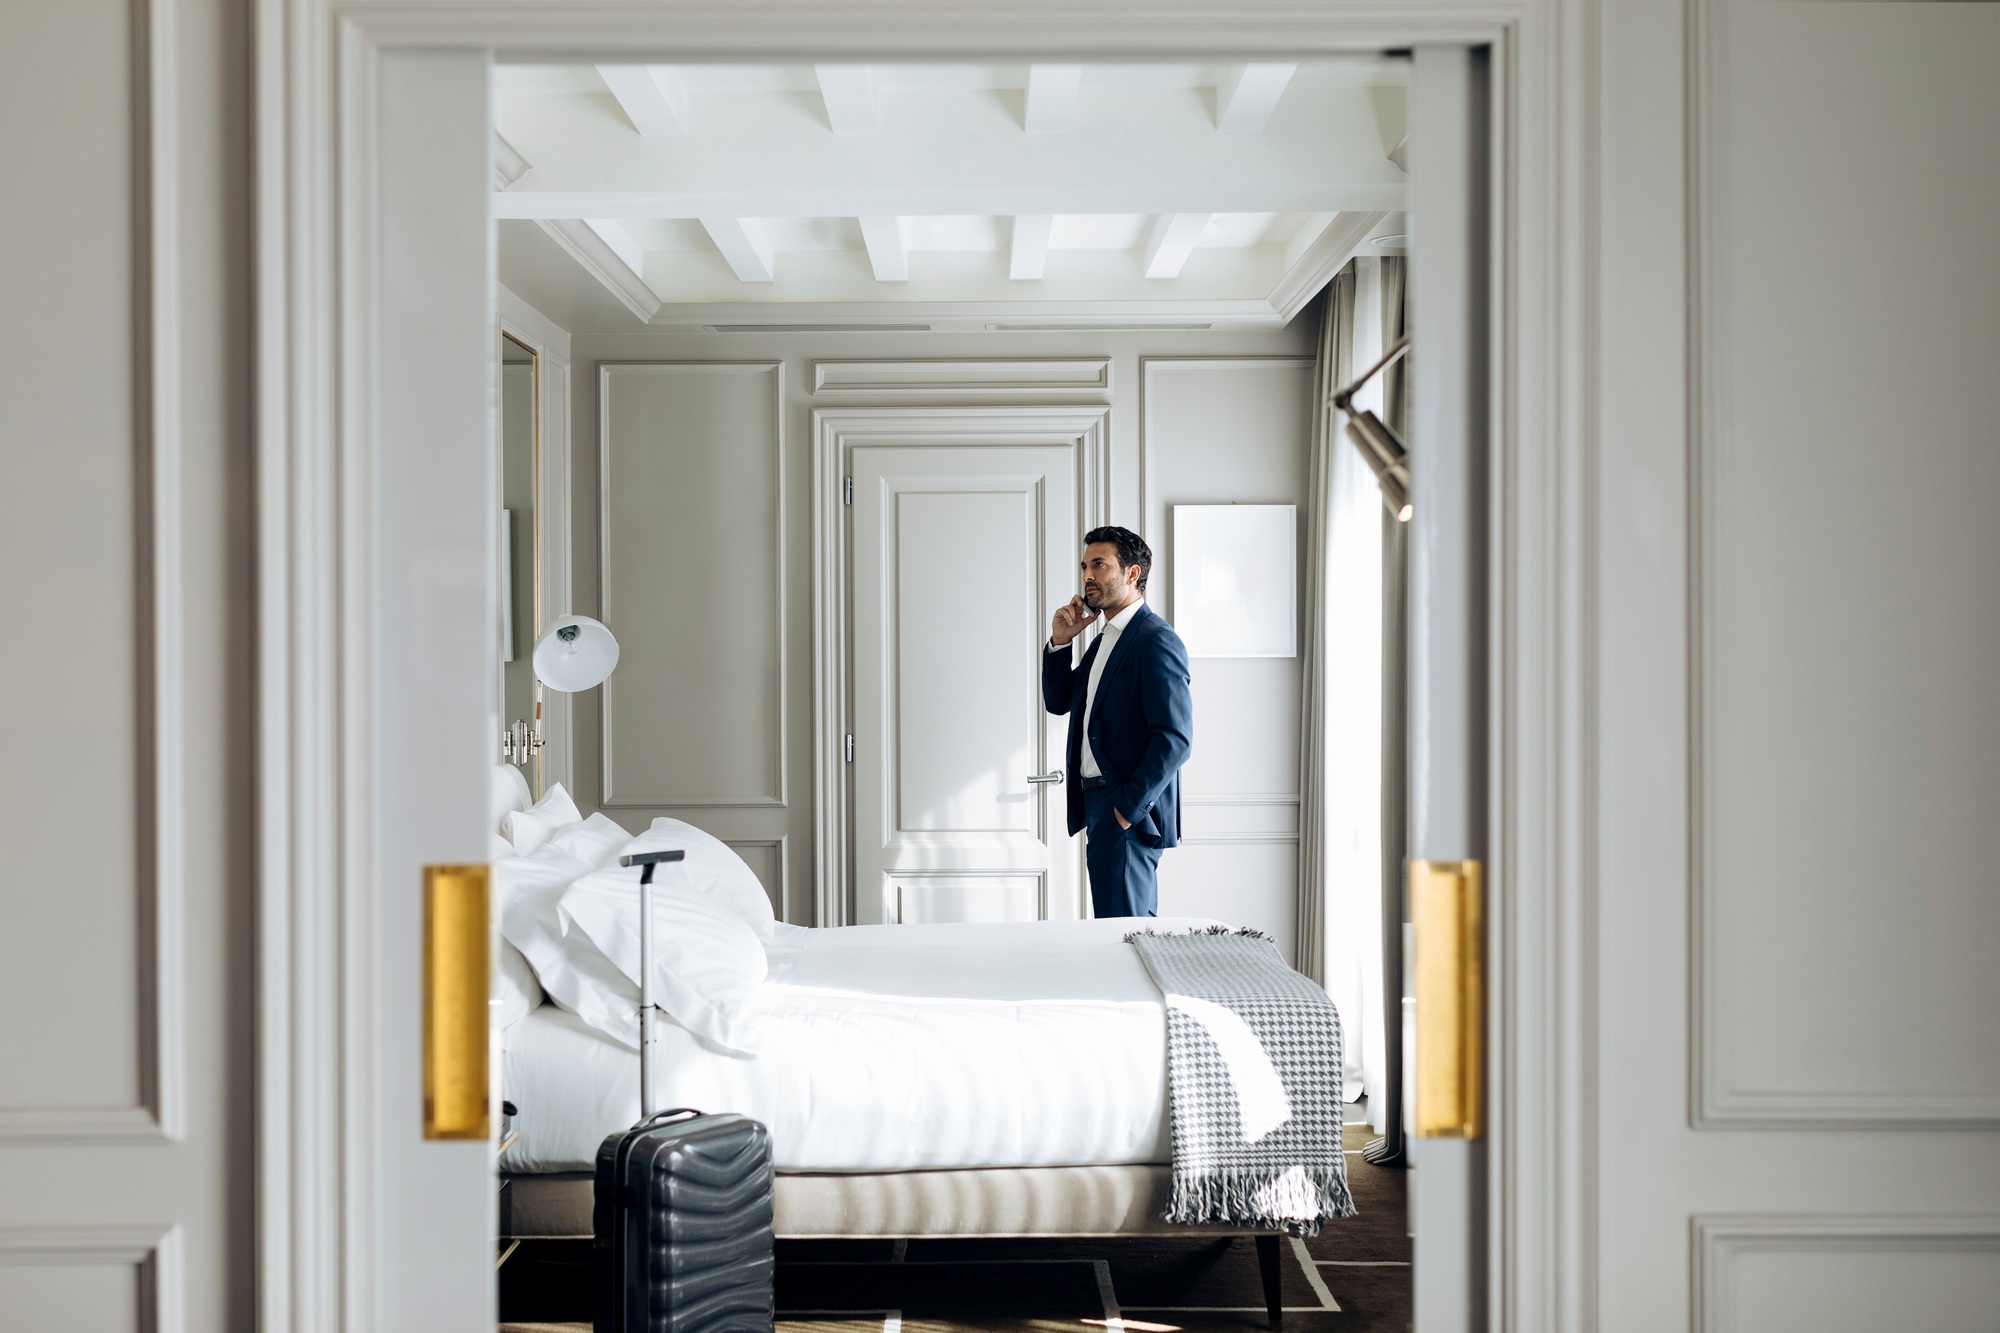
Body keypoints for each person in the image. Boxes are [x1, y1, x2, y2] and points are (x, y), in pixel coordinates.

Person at [1042, 526, 1193, 918]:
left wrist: (1126, 810)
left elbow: (1175, 739)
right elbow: (1059, 702)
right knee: (1120, 931)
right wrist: (1061, 642)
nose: (1087, 575)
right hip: (1101, 806)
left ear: (1131, 574)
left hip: (1126, 811)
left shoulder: (1155, 639)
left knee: (1126, 935)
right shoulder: (1104, 639)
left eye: (1099, 565)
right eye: (1084, 566)